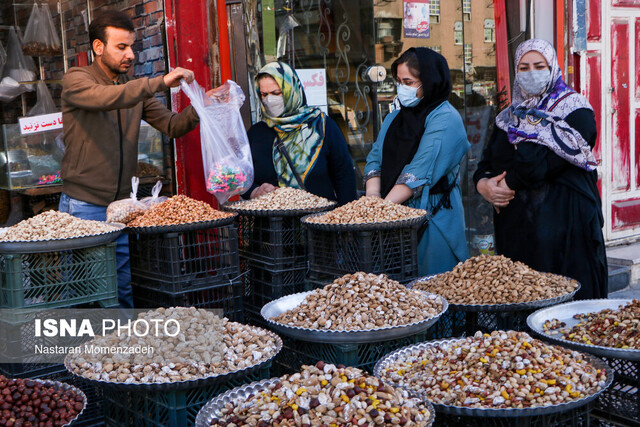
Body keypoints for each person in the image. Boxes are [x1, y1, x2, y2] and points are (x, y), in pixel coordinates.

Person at [59, 10, 217, 308]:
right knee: (86, 292)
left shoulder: (134, 90)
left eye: (132, 46)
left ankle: (123, 352)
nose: (130, 54)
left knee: (119, 288)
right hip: (84, 205)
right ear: (98, 47)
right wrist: (158, 82)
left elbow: (173, 125)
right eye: (122, 47)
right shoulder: (77, 80)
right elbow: (104, 98)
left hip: (121, 206)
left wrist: (203, 105)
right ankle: (84, 353)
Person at [473, 38, 607, 299]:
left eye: (539, 65)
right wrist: (484, 186)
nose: (531, 73)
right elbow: (486, 163)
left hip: (564, 228)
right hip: (517, 230)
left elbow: (539, 164)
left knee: (565, 308)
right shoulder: (509, 117)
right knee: (521, 304)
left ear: (553, 67)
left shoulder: (574, 111)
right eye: (523, 68)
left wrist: (507, 184)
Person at [364, 48, 470, 276]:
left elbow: (420, 170)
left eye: (409, 82)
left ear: (429, 81)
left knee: (433, 289)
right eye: (399, 81)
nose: (402, 88)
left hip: (432, 219)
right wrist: (373, 199)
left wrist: (378, 212)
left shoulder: (445, 118)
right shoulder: (394, 118)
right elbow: (375, 159)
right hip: (390, 221)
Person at [244, 62, 357, 205]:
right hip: (272, 224)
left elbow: (344, 176)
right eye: (264, 94)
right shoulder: (257, 133)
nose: (269, 100)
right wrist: (254, 191)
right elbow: (242, 177)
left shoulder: (322, 126)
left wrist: (345, 217)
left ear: (292, 90)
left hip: (319, 222)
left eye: (276, 93)